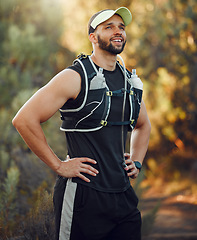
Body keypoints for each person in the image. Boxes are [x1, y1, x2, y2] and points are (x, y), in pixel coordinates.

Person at [12, 6, 151, 240]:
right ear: (93, 37)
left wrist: (136, 161)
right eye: (109, 27)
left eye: (121, 27)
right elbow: (24, 120)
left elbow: (143, 125)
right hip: (83, 197)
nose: (118, 31)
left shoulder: (130, 82)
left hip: (123, 197)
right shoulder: (75, 77)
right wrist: (58, 165)